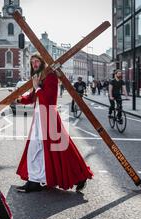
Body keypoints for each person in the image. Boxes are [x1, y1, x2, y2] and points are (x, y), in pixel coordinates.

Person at [15, 53, 93, 193]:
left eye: (37, 61)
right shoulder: (38, 78)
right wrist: (21, 99)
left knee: (62, 149)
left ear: (43, 62)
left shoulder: (50, 77)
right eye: (32, 62)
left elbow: (48, 99)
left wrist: (37, 87)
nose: (34, 64)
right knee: (35, 149)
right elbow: (34, 98)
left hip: (49, 116)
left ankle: (80, 175)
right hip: (39, 117)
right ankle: (34, 180)